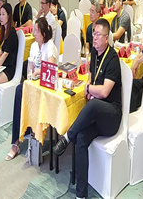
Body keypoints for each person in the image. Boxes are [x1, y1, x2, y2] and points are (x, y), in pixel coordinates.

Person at [52, 19, 122, 199]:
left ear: (106, 38)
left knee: (93, 105)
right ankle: (81, 194)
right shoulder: (94, 53)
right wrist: (90, 87)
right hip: (96, 115)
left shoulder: (112, 58)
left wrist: (89, 89)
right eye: (93, 34)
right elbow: (91, 76)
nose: (94, 37)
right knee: (81, 138)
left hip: (111, 116)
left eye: (98, 34)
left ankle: (67, 136)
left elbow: (105, 91)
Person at [6, 17, 58, 161]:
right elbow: (31, 68)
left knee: (24, 92)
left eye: (36, 31)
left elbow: (51, 69)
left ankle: (30, 133)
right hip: (34, 84)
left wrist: (37, 72)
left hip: (46, 87)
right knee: (19, 91)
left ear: (43, 33)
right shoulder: (34, 46)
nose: (34, 33)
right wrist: (31, 71)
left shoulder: (50, 46)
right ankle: (15, 142)